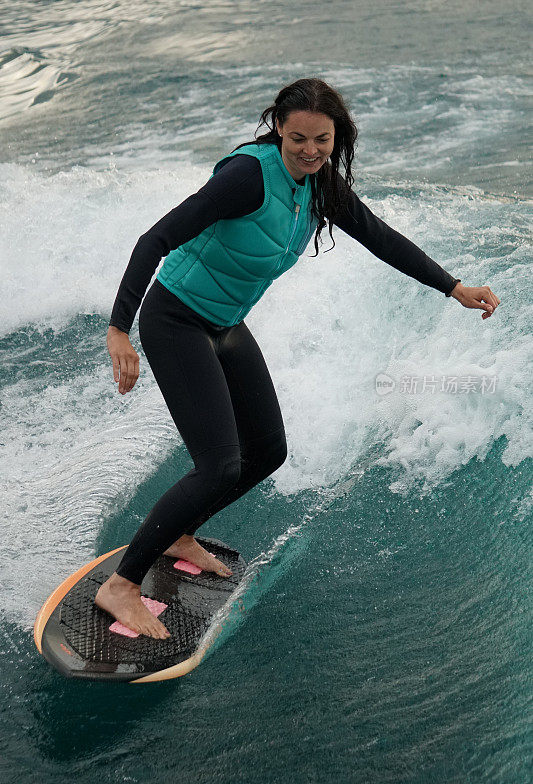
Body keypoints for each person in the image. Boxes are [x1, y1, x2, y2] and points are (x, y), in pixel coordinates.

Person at [95, 78, 500, 639]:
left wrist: (454, 287)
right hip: (176, 319)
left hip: (224, 322)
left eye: (323, 140)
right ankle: (121, 585)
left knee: (266, 451)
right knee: (218, 464)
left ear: (338, 137)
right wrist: (119, 329)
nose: (310, 151)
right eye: (298, 139)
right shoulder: (246, 178)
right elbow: (155, 238)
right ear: (278, 130)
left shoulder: (318, 185)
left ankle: (178, 533)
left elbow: (379, 236)